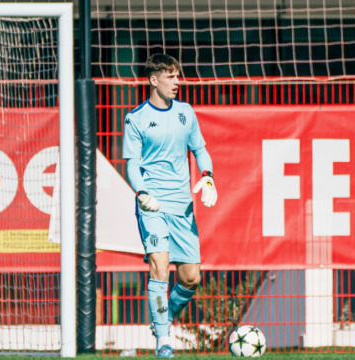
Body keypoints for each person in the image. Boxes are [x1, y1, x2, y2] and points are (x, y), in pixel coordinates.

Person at [122, 53, 217, 358]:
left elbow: (200, 150)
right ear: (153, 80)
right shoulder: (135, 118)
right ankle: (163, 339)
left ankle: (164, 318)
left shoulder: (186, 112)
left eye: (178, 76)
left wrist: (209, 177)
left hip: (183, 206)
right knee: (160, 266)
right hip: (153, 207)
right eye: (171, 76)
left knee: (191, 278)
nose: (178, 82)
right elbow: (133, 165)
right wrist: (142, 192)